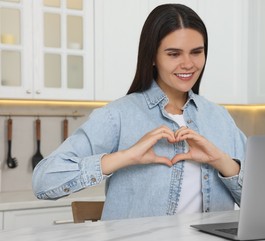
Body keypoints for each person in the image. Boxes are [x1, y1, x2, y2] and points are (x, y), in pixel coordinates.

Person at [32, 3, 246, 220]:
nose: (188, 64)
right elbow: (43, 181)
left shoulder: (219, 118)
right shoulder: (117, 116)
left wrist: (223, 162)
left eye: (196, 52)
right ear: (152, 56)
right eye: (174, 54)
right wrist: (125, 157)